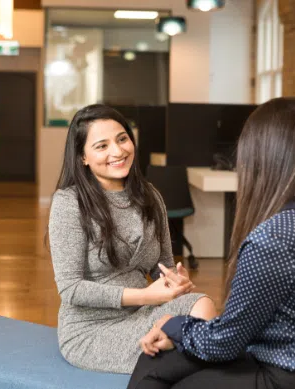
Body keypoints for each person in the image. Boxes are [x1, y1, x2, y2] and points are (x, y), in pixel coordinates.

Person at [127, 97, 295, 389]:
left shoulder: (274, 237)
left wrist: (172, 325)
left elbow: (224, 343)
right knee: (162, 360)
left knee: (164, 370)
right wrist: (179, 334)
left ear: (259, 154)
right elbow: (243, 326)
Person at [47, 104, 217, 374]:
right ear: (83, 157)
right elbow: (71, 289)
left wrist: (175, 282)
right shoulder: (70, 203)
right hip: (92, 328)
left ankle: (182, 346)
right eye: (102, 146)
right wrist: (145, 296)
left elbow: (162, 265)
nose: (118, 151)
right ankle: (183, 350)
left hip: (144, 313)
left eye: (122, 139)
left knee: (203, 304)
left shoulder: (150, 196)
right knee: (195, 351)